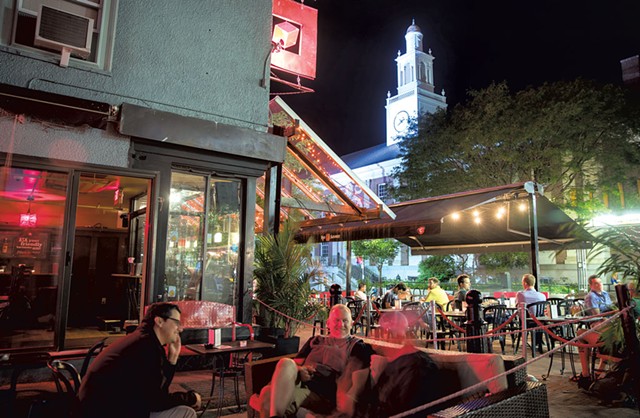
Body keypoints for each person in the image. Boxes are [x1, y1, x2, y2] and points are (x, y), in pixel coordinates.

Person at [77, 302, 202, 418]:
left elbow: (158, 392)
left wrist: (172, 359)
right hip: (107, 411)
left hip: (108, 407)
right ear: (159, 321)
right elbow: (156, 401)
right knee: (187, 413)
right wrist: (190, 398)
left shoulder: (143, 340)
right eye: (176, 323)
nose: (180, 329)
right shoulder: (146, 348)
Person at [256, 304, 372, 417]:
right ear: (328, 323)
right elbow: (294, 365)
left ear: (352, 324)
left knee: (267, 395)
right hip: (298, 381)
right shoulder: (316, 340)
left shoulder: (357, 346)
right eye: (336, 320)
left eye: (345, 321)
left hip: (321, 393)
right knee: (285, 362)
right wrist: (300, 370)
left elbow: (355, 381)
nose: (341, 324)